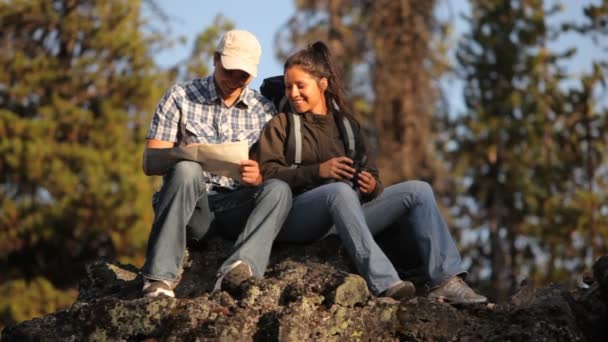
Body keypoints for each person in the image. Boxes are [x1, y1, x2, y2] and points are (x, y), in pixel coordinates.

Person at [257, 41, 488, 304]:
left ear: (322, 83)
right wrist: (317, 171)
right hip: (299, 217)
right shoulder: (281, 124)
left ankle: (446, 280)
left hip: (347, 217)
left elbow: (369, 170)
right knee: (338, 191)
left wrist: (372, 185)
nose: (294, 93)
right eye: (288, 86)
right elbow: (268, 175)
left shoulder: (347, 126)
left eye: (301, 86)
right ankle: (385, 283)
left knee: (418, 190)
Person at [140, 29, 292, 298]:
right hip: (193, 209)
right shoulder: (180, 97)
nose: (234, 80)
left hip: (237, 206)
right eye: (229, 70)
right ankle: (158, 279)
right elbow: (151, 162)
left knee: (279, 189)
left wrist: (259, 177)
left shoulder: (265, 110)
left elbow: (273, 169)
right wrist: (188, 154)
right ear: (215, 59)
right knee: (187, 169)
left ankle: (237, 271)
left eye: (243, 75)